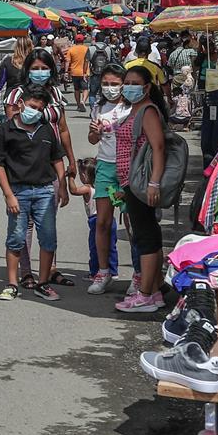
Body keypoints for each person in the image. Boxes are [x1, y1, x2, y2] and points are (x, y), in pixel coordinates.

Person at [0, 87, 68, 302]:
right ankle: (12, 283)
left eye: (40, 108)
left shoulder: (46, 130)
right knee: (16, 238)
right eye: (32, 106)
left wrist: (61, 186)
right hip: (18, 191)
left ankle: (42, 283)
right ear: (20, 104)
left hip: (45, 191)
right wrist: (8, 195)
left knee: (48, 238)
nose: (35, 111)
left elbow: (56, 158)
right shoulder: (6, 131)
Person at [114, 61, 170, 315]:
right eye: (127, 83)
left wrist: (154, 182)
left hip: (141, 183)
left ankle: (145, 295)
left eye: (135, 84)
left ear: (147, 88)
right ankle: (154, 290)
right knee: (148, 235)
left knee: (145, 237)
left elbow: (158, 147)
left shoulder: (147, 111)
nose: (129, 88)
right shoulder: (135, 110)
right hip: (132, 183)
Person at [86, 64, 131, 294]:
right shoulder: (98, 107)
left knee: (131, 223)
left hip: (128, 167)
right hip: (104, 166)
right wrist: (95, 132)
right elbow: (92, 139)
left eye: (114, 84)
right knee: (102, 222)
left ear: (123, 84)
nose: (110, 88)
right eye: (105, 83)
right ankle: (103, 272)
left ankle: (139, 274)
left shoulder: (131, 108)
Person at [63, 34, 91, 98]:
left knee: (76, 89)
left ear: (75, 41)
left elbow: (67, 61)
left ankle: (78, 105)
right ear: (83, 40)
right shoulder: (87, 49)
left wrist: (66, 72)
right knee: (85, 89)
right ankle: (83, 101)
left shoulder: (71, 49)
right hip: (85, 72)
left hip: (74, 72)